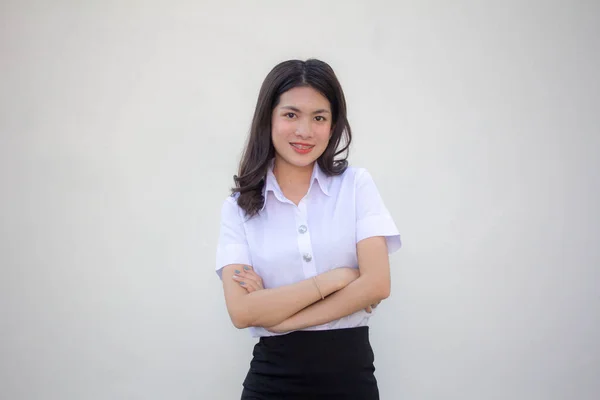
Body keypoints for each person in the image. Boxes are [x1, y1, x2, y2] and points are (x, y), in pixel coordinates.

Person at [215, 58, 402, 399]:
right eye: (291, 115)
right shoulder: (238, 208)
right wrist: (338, 279)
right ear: (268, 118)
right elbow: (242, 312)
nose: (304, 131)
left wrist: (280, 319)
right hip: (271, 382)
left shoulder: (356, 186)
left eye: (319, 117)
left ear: (333, 126)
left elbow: (377, 284)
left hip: (351, 382)